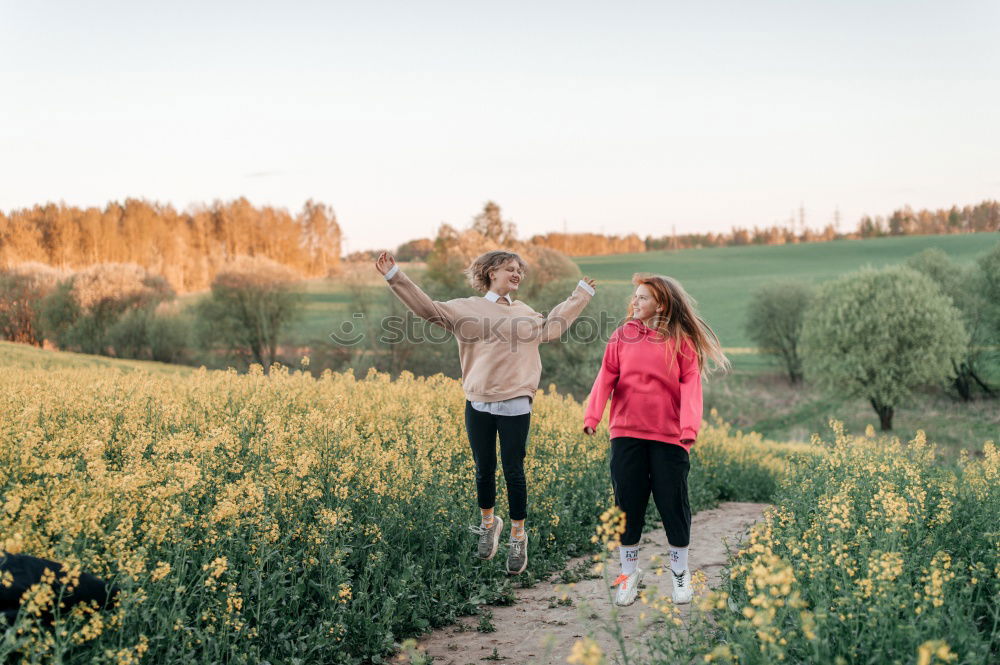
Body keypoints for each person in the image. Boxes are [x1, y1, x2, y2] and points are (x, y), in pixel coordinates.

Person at [375, 249, 596, 574]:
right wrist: (395, 276)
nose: (517, 273)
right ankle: (489, 523)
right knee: (484, 468)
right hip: (478, 400)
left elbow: (553, 327)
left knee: (513, 471)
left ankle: (518, 536)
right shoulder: (465, 309)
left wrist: (580, 295)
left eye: (519, 269)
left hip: (516, 401)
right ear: (491, 272)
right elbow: (427, 308)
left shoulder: (526, 313)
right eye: (510, 268)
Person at [583, 274, 728, 606]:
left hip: (669, 437)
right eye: (635, 297)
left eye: (643, 298)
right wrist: (592, 416)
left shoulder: (681, 343)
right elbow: (605, 377)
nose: (635, 302)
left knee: (672, 506)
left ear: (661, 304)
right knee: (627, 507)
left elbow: (692, 385)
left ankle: (680, 575)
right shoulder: (622, 337)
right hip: (625, 433)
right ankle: (627, 576)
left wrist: (689, 428)